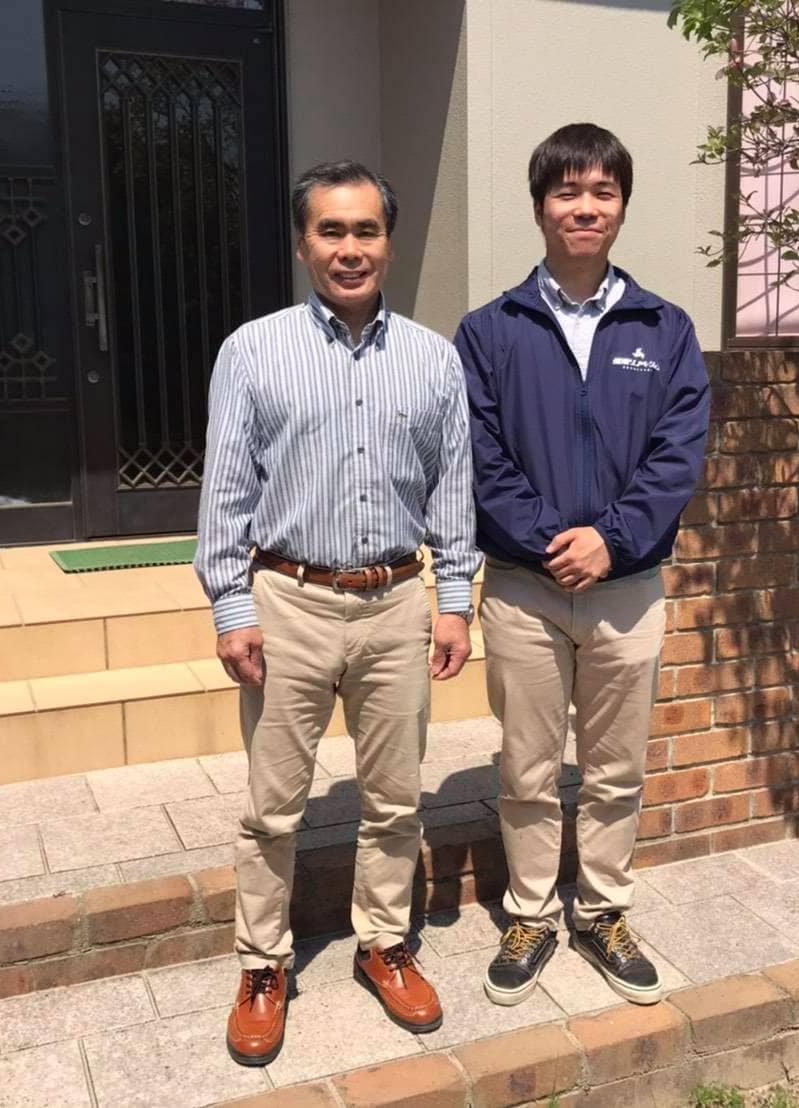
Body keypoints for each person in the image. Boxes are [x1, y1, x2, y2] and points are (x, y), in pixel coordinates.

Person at [196, 160, 481, 1066]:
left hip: (396, 602)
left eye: (366, 230)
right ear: (302, 243)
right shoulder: (253, 351)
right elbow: (226, 491)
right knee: (272, 808)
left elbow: (454, 491)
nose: (350, 248)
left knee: (395, 799)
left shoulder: (433, 359)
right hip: (288, 602)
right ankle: (262, 964)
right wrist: (231, 605)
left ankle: (384, 944)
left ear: (389, 243)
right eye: (331, 230)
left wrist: (453, 602)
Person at [454, 123, 711, 1006]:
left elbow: (678, 454)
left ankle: (601, 910)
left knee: (615, 768)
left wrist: (613, 538)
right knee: (527, 767)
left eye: (603, 191)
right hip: (523, 591)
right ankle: (530, 911)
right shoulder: (490, 331)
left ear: (622, 207)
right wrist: (549, 541)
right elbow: (480, 453)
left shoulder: (664, 328)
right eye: (568, 191)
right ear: (540, 207)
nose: (586, 207)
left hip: (628, 591)